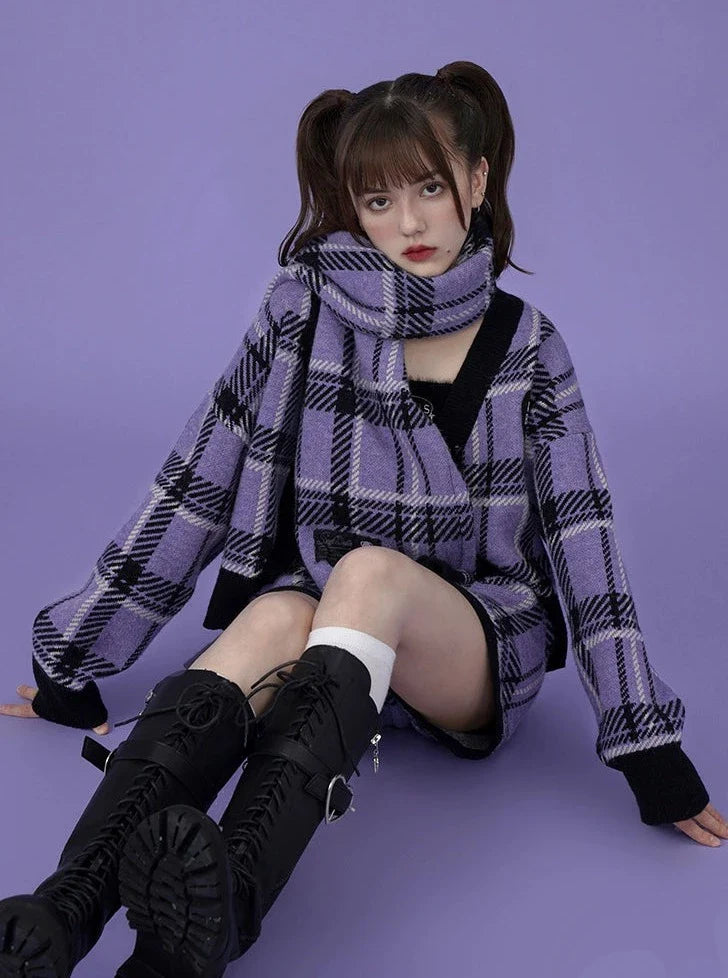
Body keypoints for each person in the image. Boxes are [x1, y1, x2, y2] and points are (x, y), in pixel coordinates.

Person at [1, 60, 726, 978]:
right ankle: (67, 909)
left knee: (369, 572)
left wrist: (647, 745)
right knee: (272, 612)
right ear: (351, 205)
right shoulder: (302, 314)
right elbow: (198, 480)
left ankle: (228, 903)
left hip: (467, 648)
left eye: (430, 188)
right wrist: (72, 659)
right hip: (329, 641)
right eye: (378, 200)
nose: (410, 224)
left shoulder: (529, 348)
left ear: (478, 180)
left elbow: (588, 547)